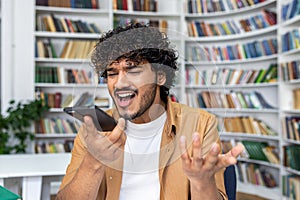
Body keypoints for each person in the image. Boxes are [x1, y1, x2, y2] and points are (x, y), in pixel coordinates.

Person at [56, 23, 244, 200]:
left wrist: (202, 183)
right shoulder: (94, 131)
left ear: (160, 76)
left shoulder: (201, 125)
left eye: (134, 70)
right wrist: (93, 162)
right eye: (112, 73)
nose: (119, 83)